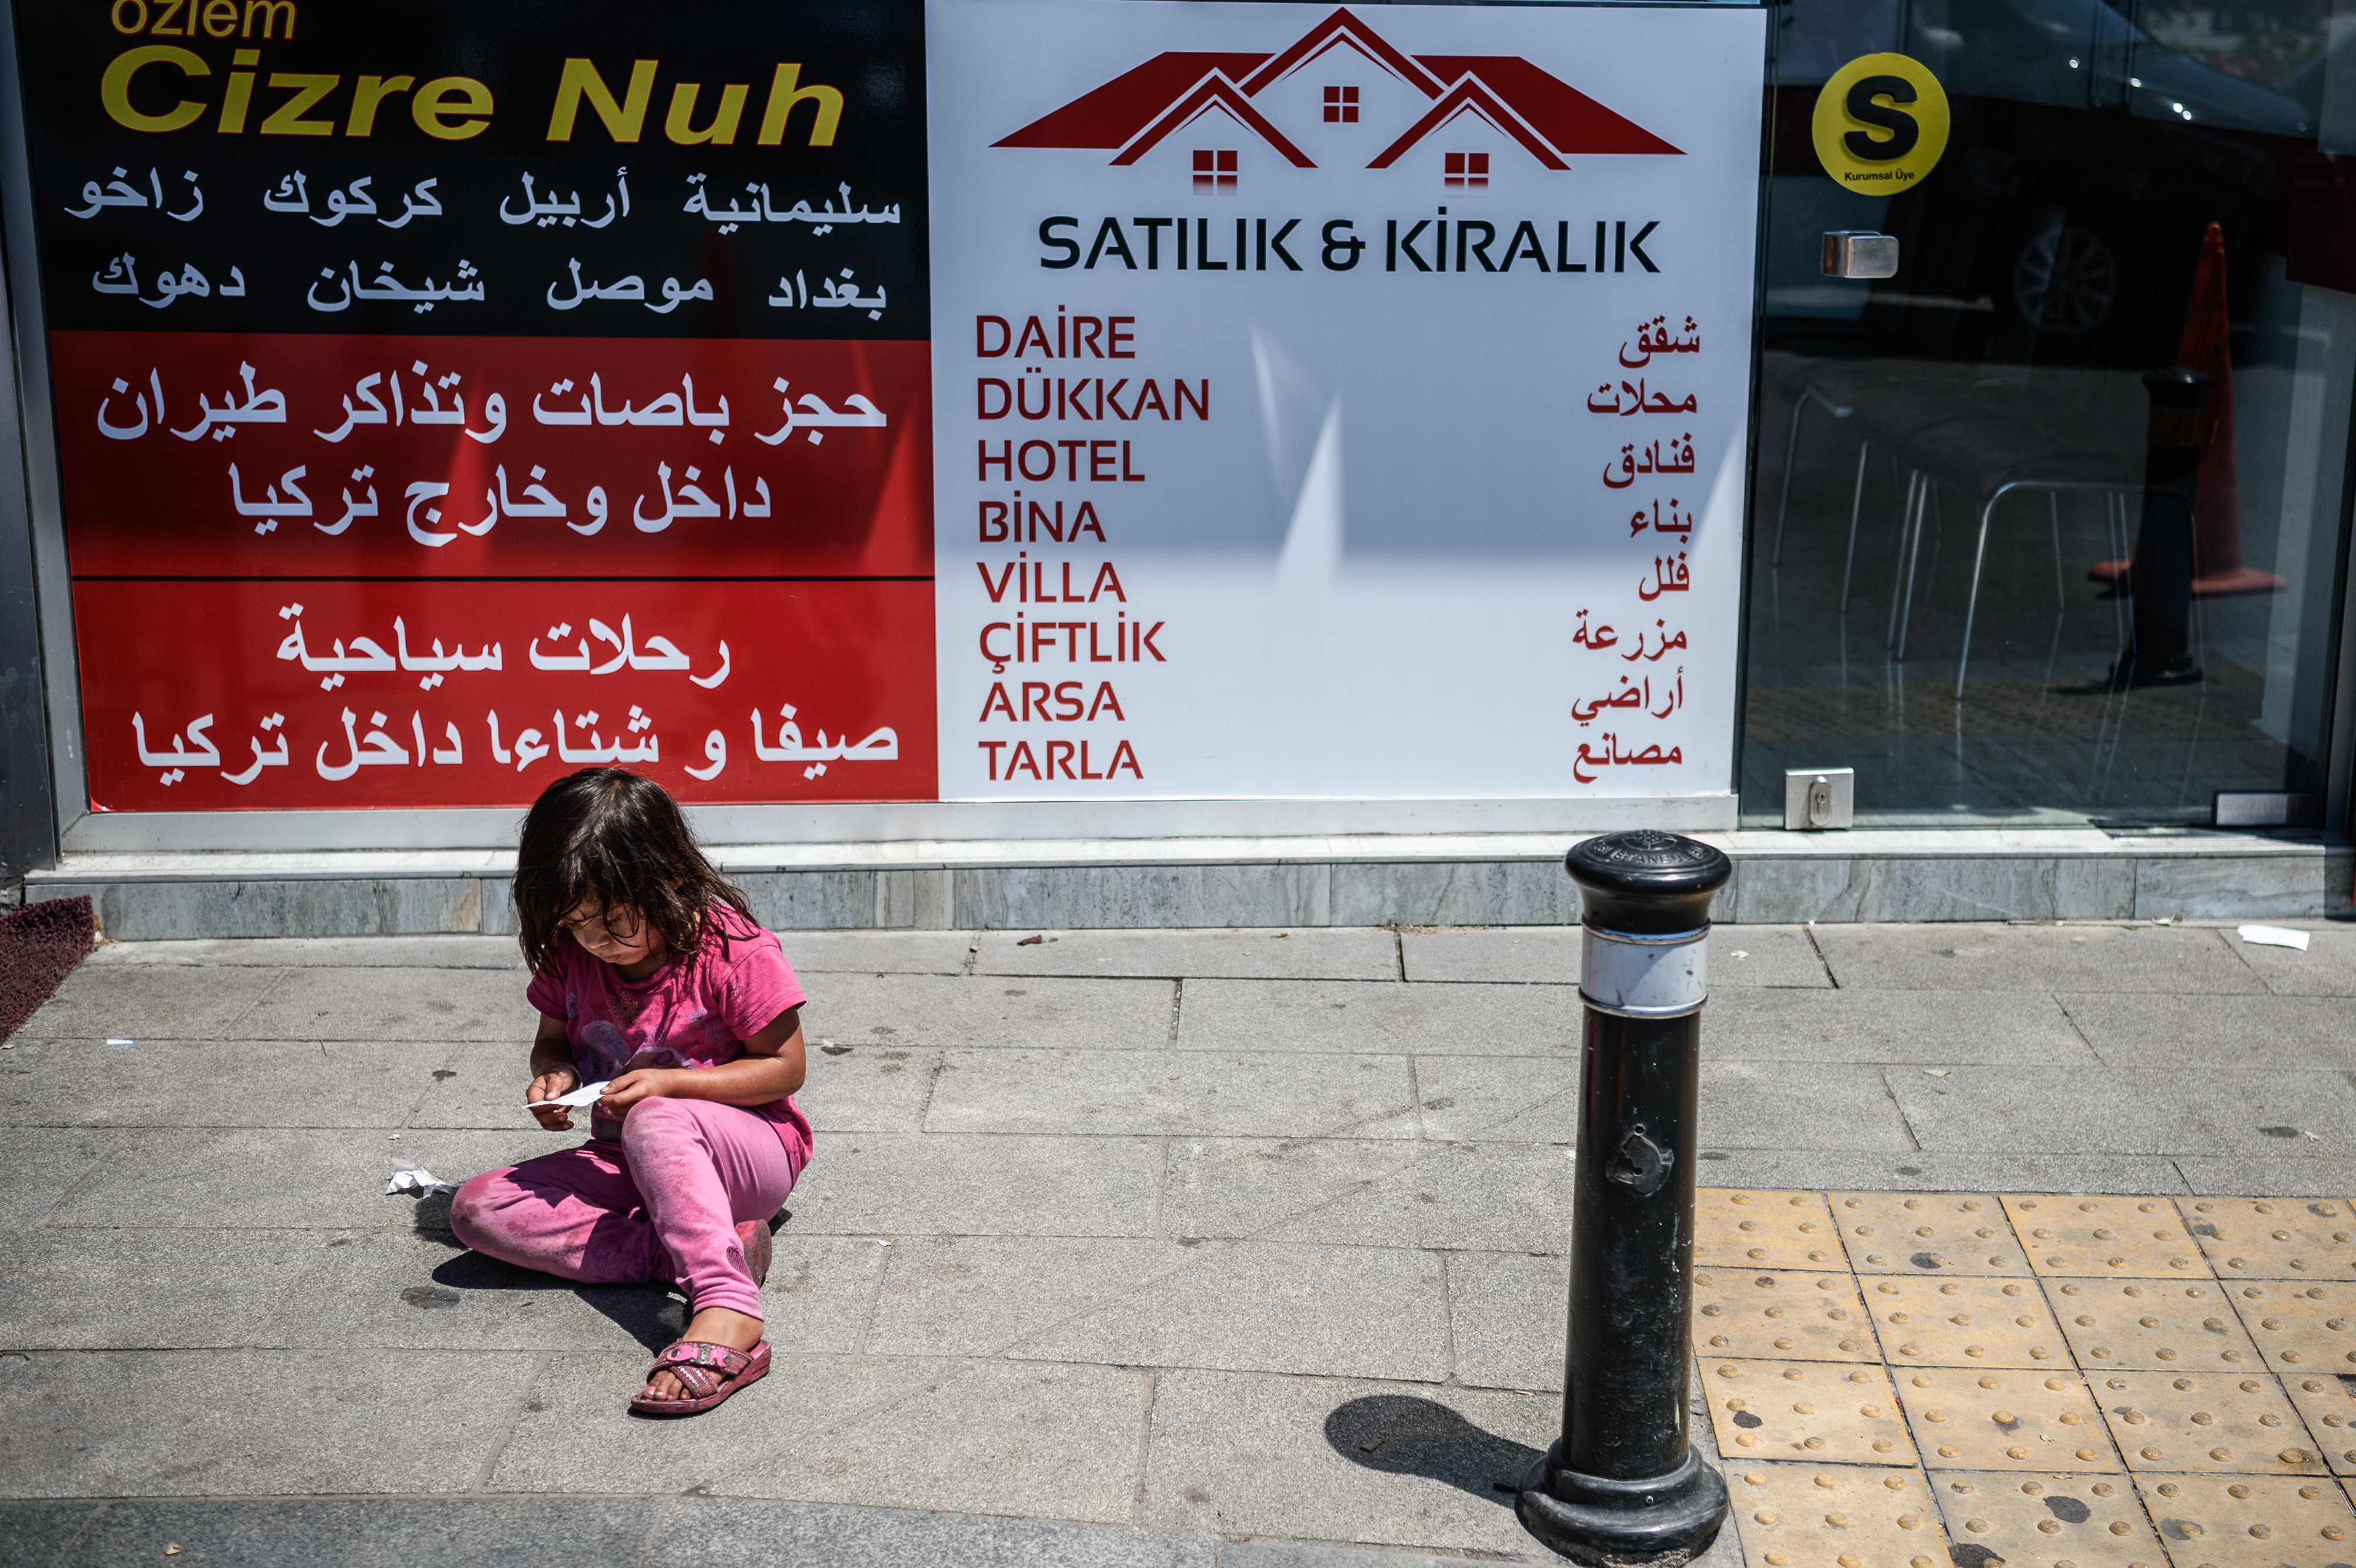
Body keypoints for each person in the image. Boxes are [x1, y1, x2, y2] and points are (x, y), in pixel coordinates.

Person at [449, 768, 812, 1416]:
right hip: (627, 1160)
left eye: (613, 921)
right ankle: (679, 1247)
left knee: (656, 1118)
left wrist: (673, 1085)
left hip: (748, 1154)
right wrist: (554, 1073)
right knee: (478, 1208)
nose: (595, 941)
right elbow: (552, 1040)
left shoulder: (733, 949)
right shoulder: (572, 953)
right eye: (578, 922)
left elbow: (785, 1068)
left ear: (666, 879)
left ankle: (726, 1307)